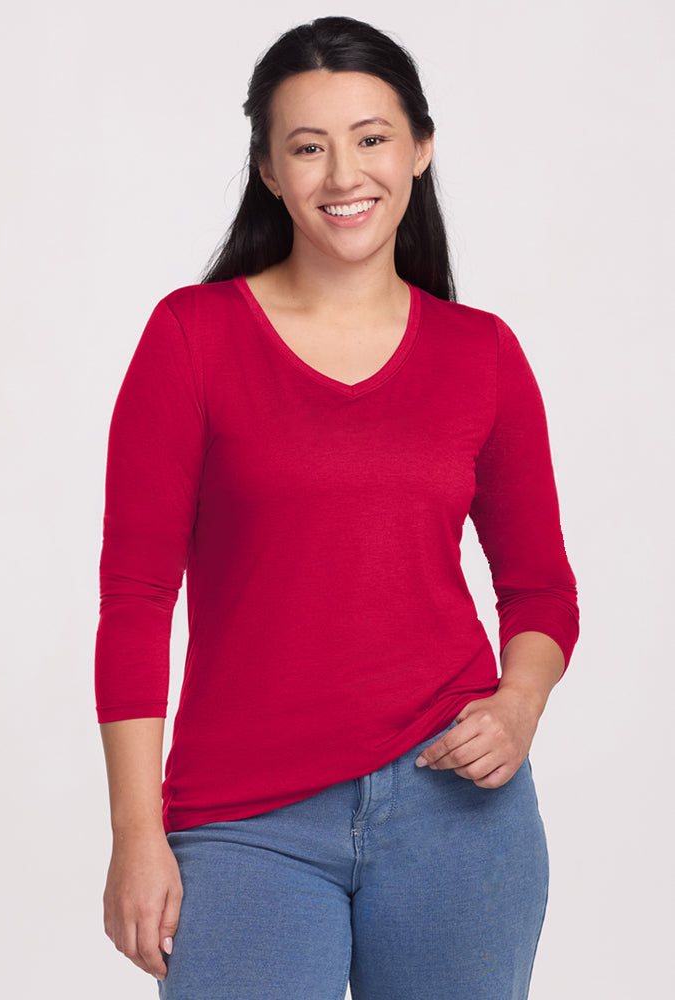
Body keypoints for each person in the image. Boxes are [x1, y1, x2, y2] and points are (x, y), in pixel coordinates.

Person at [94, 15, 579, 1000]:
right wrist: (136, 834)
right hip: (243, 821)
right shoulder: (191, 338)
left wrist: (518, 705)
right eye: (308, 147)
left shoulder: (481, 354)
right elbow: (136, 600)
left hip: (457, 809)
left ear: (420, 148)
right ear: (269, 170)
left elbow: (540, 592)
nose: (344, 174)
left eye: (371, 138)